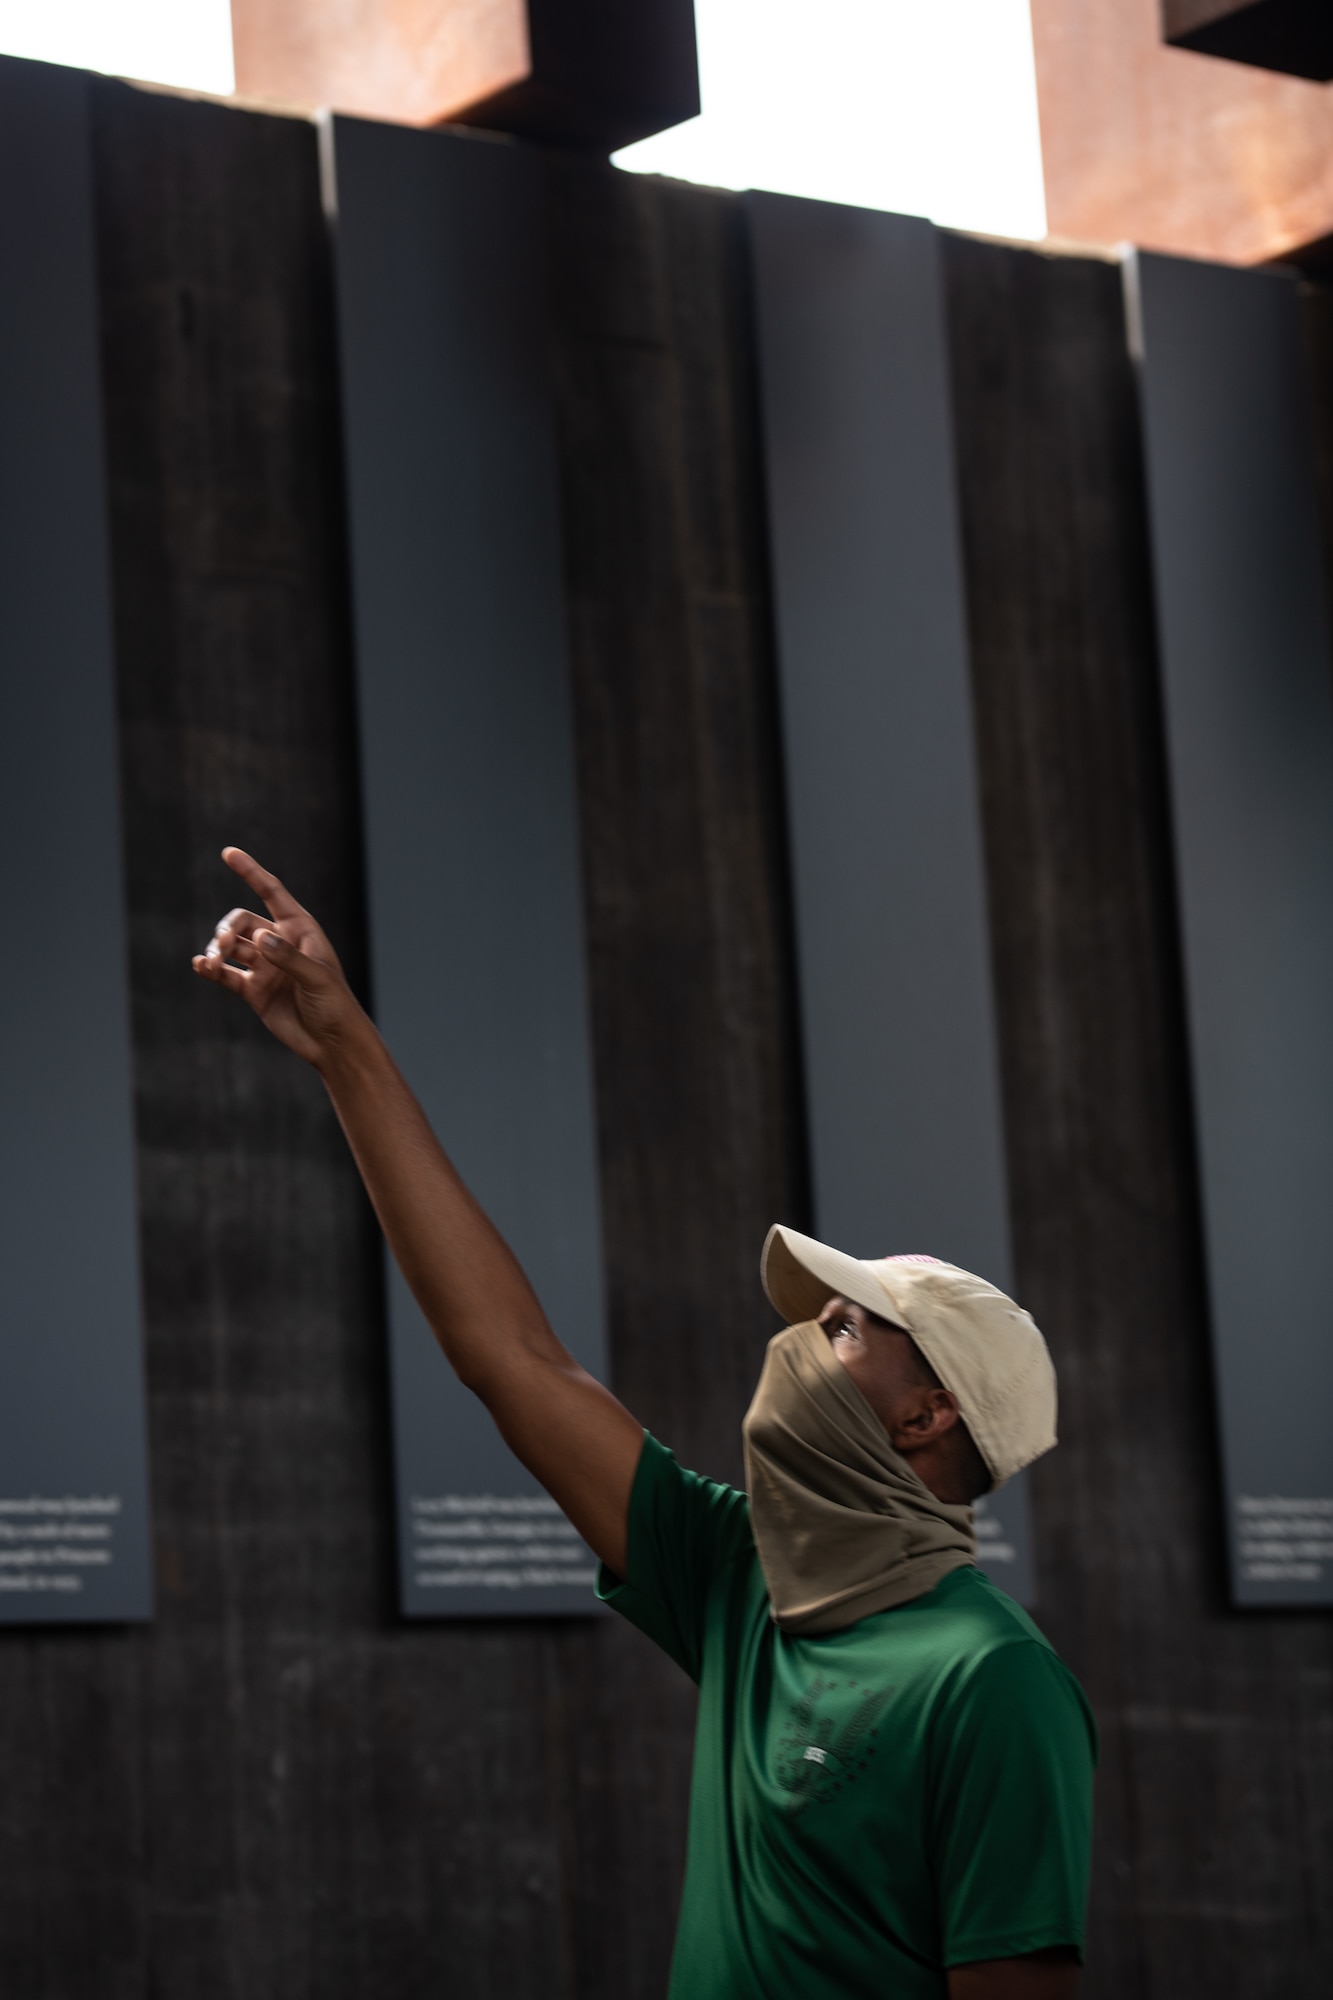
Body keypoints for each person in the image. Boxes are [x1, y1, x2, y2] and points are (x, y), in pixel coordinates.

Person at [194, 847, 1096, 2000]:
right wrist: (341, 1047)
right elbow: (511, 1358)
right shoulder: (741, 1577)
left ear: (925, 1414)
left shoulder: (995, 1680)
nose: (805, 1337)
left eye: (846, 1329)